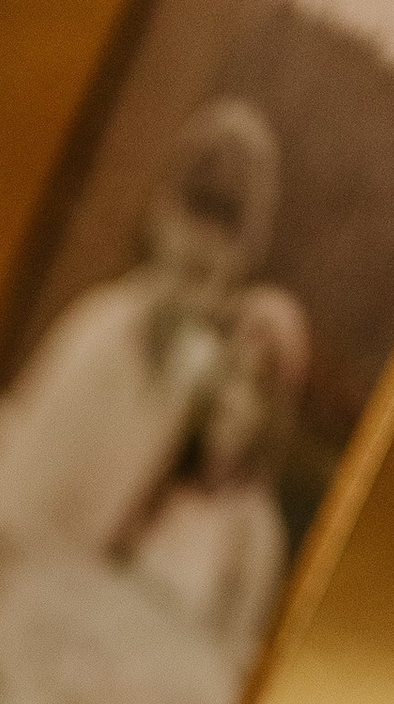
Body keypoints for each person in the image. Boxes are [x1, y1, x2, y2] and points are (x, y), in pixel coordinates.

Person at [0, 96, 282, 562]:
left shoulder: (197, 373)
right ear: (163, 217)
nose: (203, 245)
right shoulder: (102, 330)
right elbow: (10, 498)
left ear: (242, 254)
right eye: (194, 213)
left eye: (226, 230)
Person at [124, 282, 306, 679]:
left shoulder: (253, 532)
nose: (229, 397)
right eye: (228, 371)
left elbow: (231, 668)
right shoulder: (160, 478)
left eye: (252, 385)